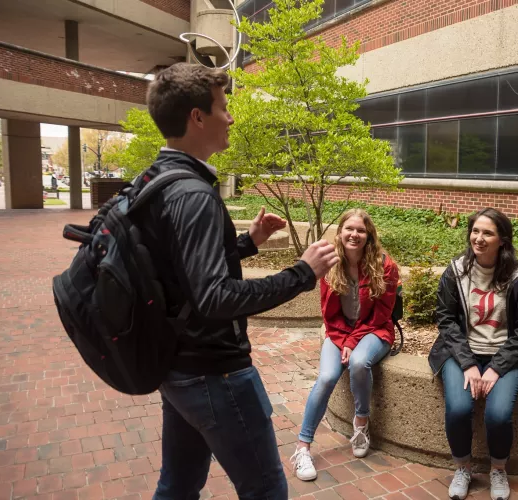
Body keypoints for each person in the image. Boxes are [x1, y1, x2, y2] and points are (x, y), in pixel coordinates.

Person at [132, 62, 339, 500]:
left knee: (179, 484)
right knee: (265, 491)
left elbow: (178, 270)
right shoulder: (193, 195)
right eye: (223, 107)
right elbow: (214, 297)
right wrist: (303, 272)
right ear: (197, 117)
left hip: (177, 366)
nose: (230, 117)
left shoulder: (155, 180)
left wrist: (246, 242)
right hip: (215, 373)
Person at [427, 208, 518, 500]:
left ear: (502, 239)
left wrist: (496, 367)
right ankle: (462, 467)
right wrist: (467, 363)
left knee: (499, 415)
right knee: (459, 409)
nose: (479, 238)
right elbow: (446, 319)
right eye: (475, 231)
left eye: (487, 233)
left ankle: (498, 469)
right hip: (461, 353)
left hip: (505, 356)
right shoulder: (456, 271)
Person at [290, 209, 400, 481]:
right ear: (339, 232)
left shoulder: (385, 266)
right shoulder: (330, 264)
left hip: (375, 330)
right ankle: (303, 446)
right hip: (339, 331)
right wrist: (344, 339)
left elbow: (382, 315)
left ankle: (361, 422)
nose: (354, 234)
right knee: (327, 377)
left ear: (369, 235)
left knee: (359, 362)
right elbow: (330, 314)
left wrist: (352, 342)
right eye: (349, 229)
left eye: (361, 230)